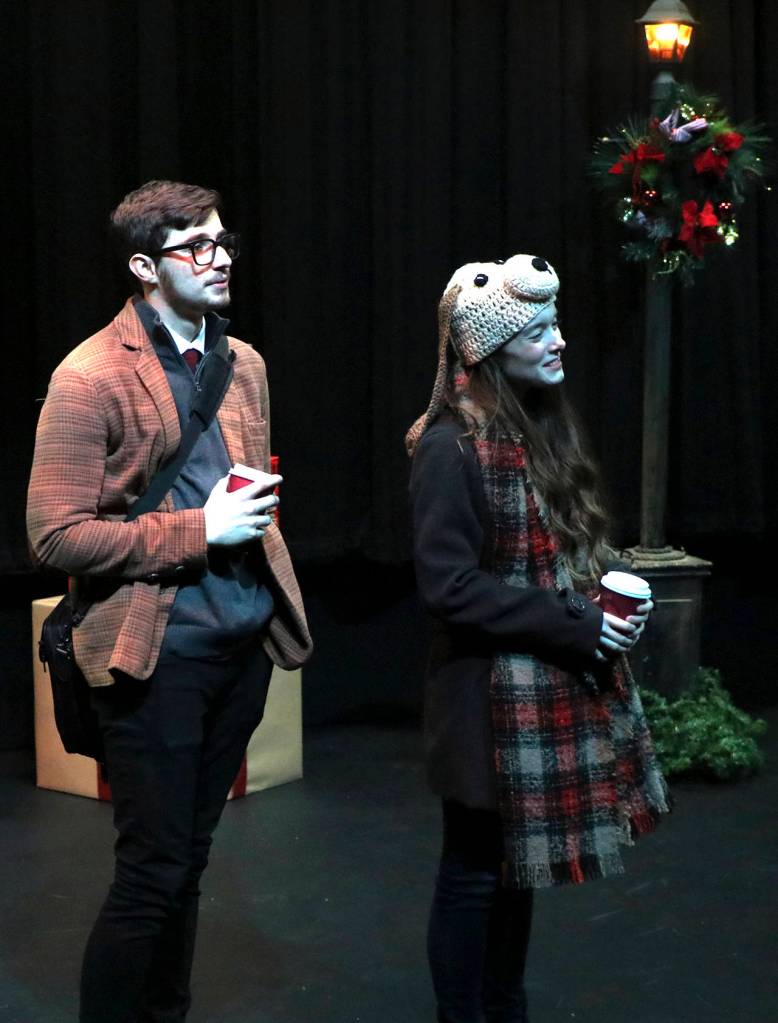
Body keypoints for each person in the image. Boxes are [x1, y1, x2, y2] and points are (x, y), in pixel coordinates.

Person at [27, 180, 313, 1023]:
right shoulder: (88, 376)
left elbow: (242, 494)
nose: (221, 258)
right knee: (151, 873)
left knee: (189, 861)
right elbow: (55, 537)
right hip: (150, 655)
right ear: (146, 267)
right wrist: (201, 527)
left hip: (238, 644)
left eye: (224, 240)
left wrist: (239, 520)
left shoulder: (245, 364)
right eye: (198, 246)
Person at [406, 254, 669, 1023]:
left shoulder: (534, 428)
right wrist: (577, 621)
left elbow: (545, 559)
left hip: (538, 681)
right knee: (476, 873)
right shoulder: (448, 446)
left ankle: (504, 1007)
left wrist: (602, 602)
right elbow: (449, 588)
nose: (558, 341)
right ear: (488, 347)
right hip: (484, 699)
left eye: (556, 324)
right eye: (537, 329)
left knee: (517, 873)